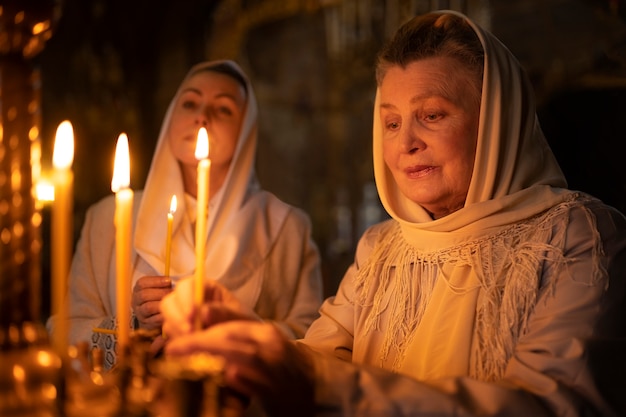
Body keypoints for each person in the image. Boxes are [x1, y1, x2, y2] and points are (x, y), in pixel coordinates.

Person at [159, 10, 626, 417]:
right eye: (392, 122)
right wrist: (245, 340)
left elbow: (552, 406)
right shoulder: (382, 248)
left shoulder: (579, 237)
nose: (405, 144)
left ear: (497, 124)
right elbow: (322, 358)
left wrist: (311, 382)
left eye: (433, 115)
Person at [47, 60, 324, 370]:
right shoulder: (107, 219)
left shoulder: (284, 227)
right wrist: (134, 326)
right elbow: (65, 329)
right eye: (190, 103)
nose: (202, 117)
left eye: (223, 109)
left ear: (246, 130)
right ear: (170, 119)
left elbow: (311, 342)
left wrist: (228, 331)